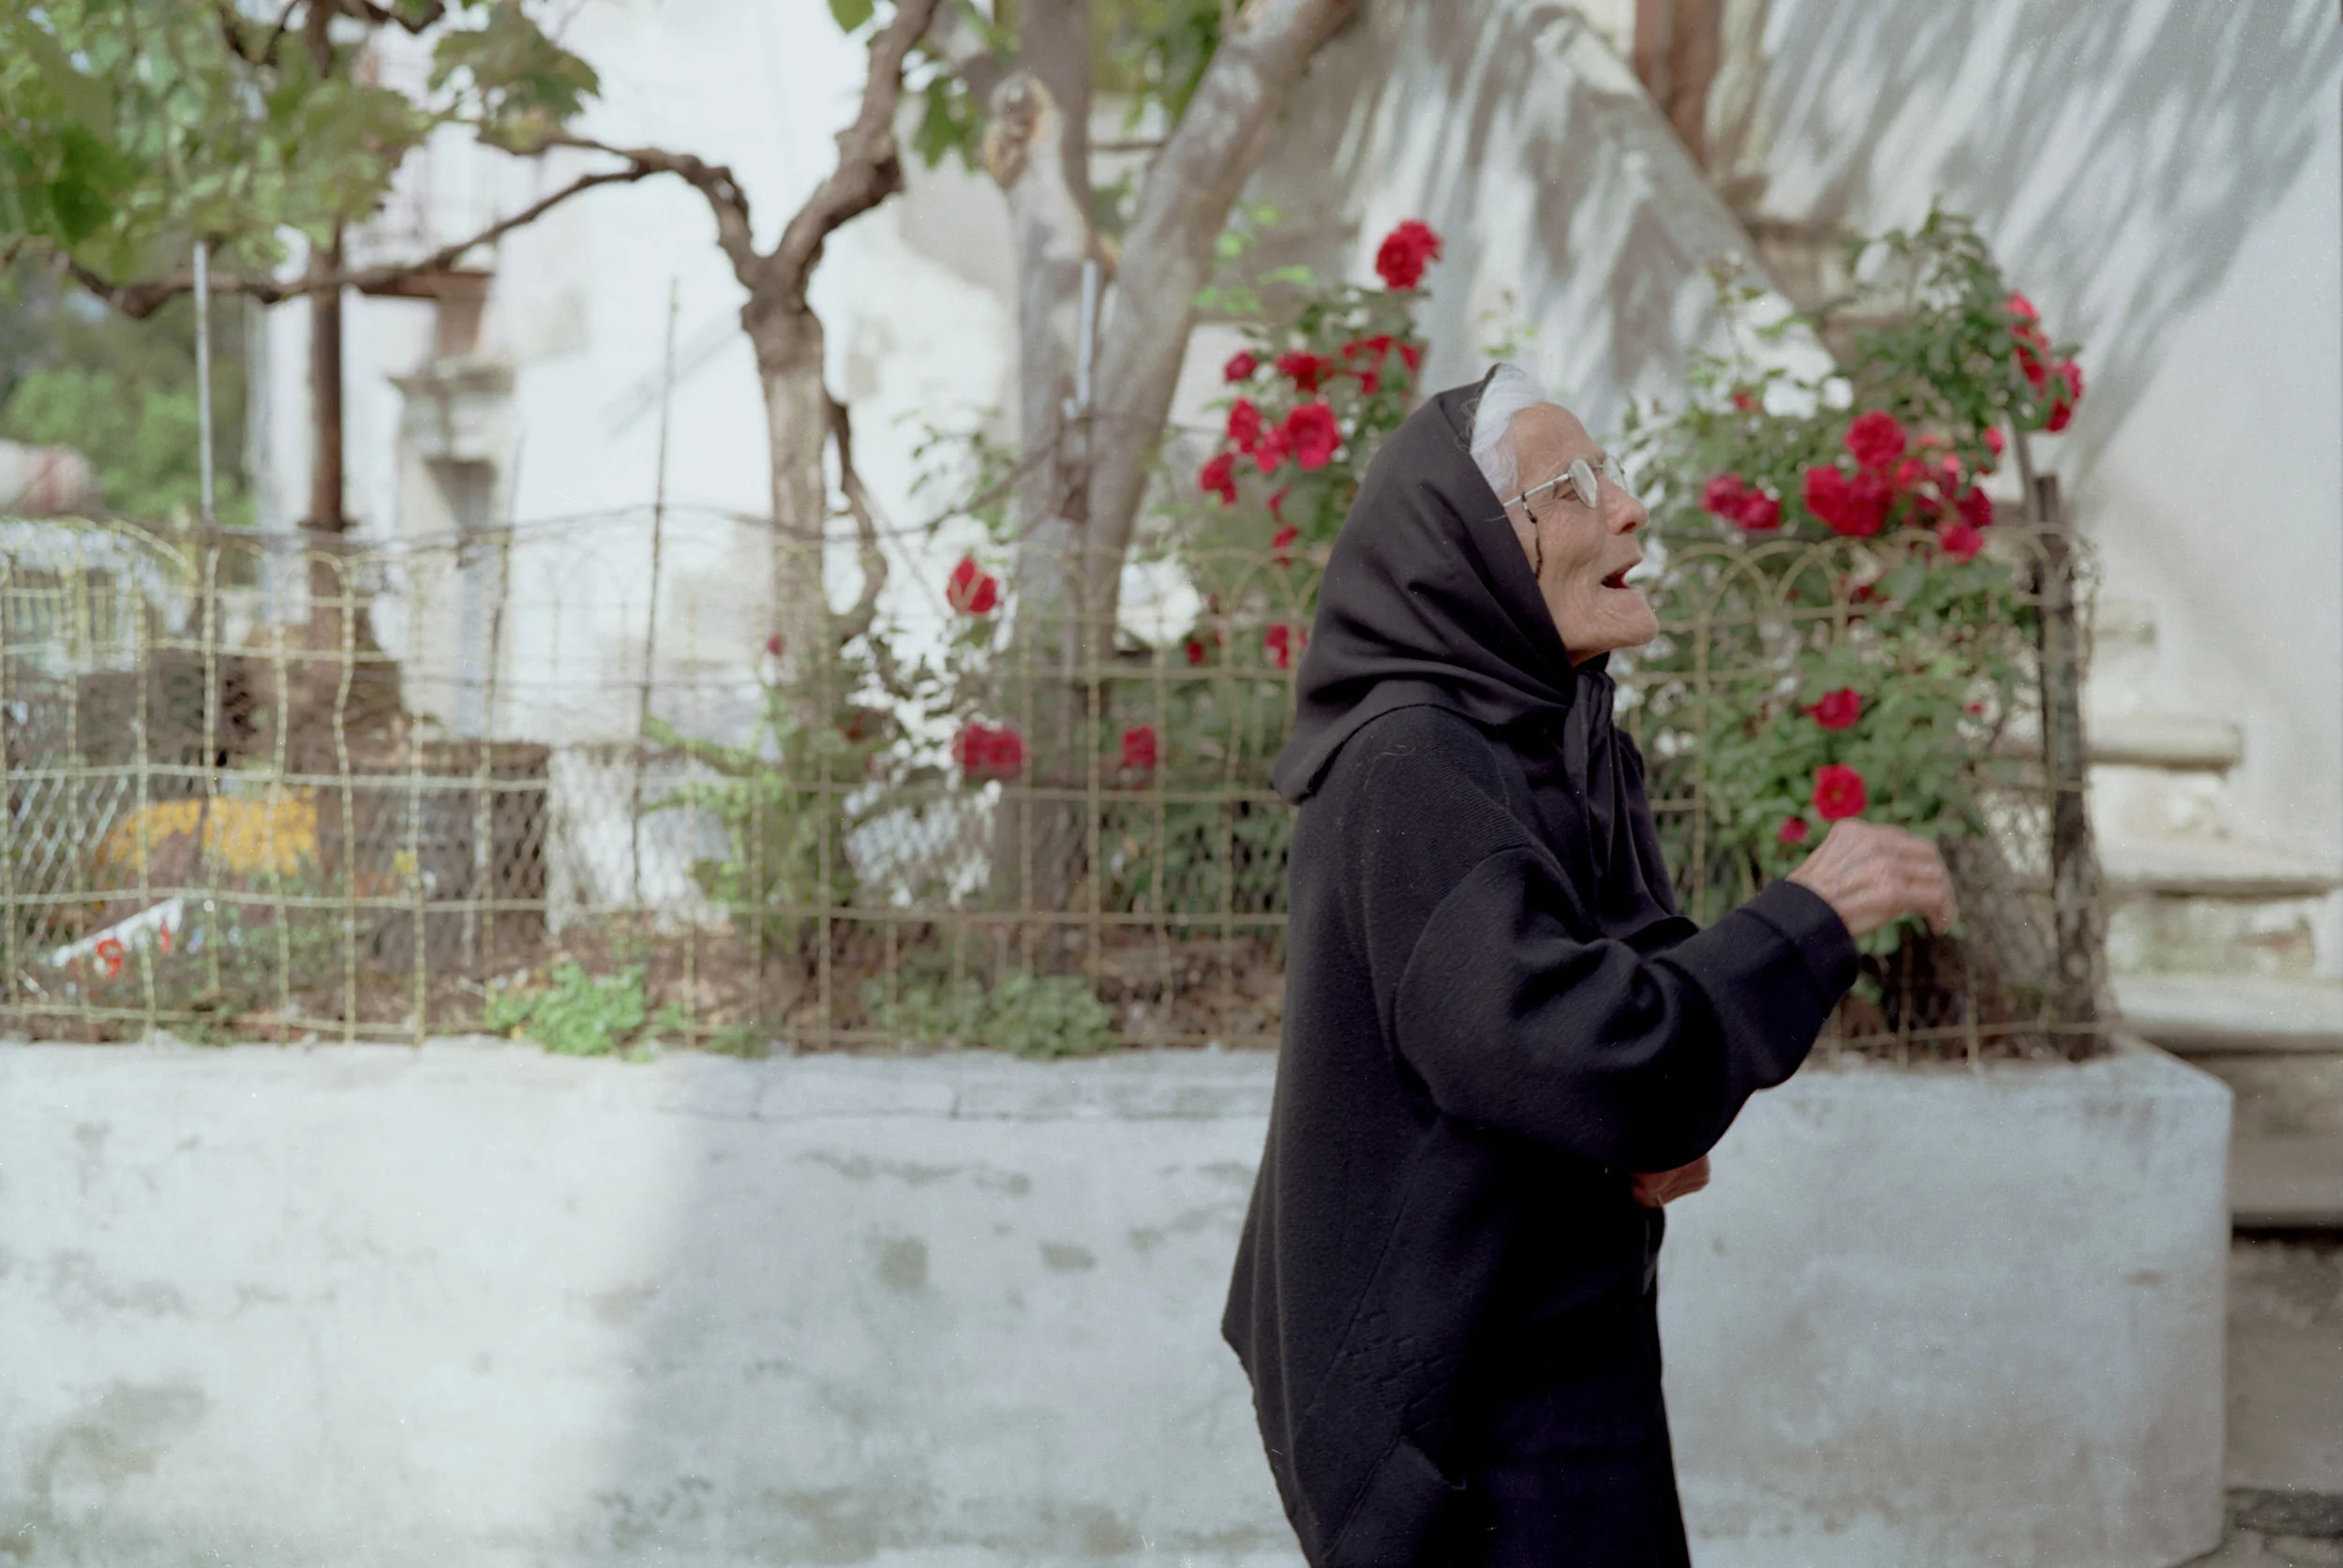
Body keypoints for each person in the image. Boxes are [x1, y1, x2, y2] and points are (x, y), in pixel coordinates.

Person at [1221, 365, 1956, 1567]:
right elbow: (1562, 1043)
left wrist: (1657, 1117)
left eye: (1607, 472)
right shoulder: (1413, 763)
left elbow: (1628, 968)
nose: (1627, 506)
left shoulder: (1555, 730)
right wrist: (1807, 917)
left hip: (1555, 1330)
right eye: (1569, 486)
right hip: (1457, 1397)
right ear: (1467, 544)